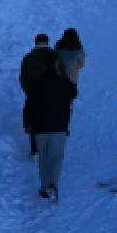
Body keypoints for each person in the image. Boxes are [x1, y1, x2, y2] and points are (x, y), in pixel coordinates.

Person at [29, 40, 76, 201]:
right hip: (59, 126)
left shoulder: (37, 82)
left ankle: (44, 187)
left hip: (40, 126)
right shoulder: (64, 82)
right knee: (56, 157)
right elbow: (74, 94)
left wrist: (29, 123)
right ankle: (53, 184)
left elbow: (30, 104)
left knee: (43, 158)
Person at [19, 33, 58, 156]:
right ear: (47, 42)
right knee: (51, 119)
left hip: (33, 93)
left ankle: (35, 150)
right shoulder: (55, 57)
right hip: (51, 93)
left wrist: (29, 92)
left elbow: (22, 78)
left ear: (35, 42)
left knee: (34, 121)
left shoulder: (28, 57)